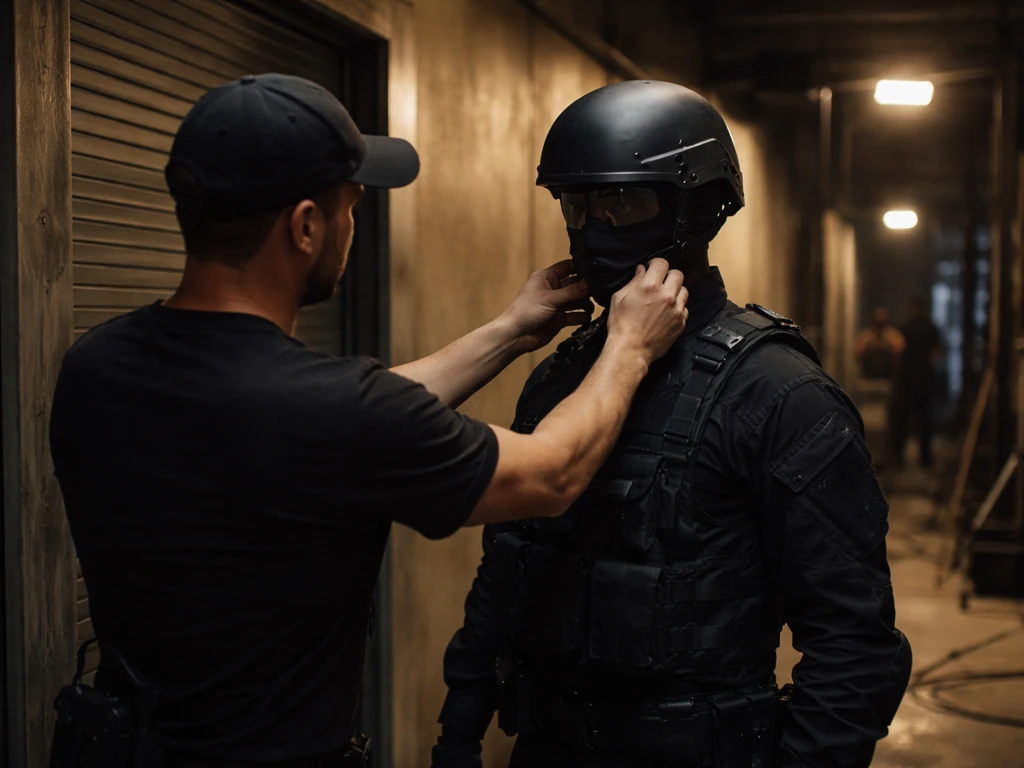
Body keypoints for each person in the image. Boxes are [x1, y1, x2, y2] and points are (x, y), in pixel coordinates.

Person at [47, 74, 690, 767]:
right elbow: (554, 471)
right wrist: (629, 346)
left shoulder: (96, 368)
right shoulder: (331, 413)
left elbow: (322, 422)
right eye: (351, 206)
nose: (353, 226)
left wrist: (505, 333)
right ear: (305, 227)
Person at [431, 81, 912, 768]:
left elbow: (853, 646)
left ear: (696, 209)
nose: (592, 228)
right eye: (578, 202)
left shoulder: (781, 396)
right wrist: (458, 730)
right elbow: (510, 569)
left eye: (623, 201)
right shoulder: (562, 376)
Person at [890, 295, 943, 468]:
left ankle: (900, 459)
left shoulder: (906, 327)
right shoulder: (931, 328)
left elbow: (899, 351)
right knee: (924, 420)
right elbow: (937, 352)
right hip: (924, 377)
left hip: (908, 378)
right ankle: (924, 460)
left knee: (903, 419)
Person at [855, 307, 905, 381]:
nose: (879, 324)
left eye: (881, 322)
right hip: (868, 377)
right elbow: (858, 354)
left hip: (888, 377)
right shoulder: (866, 336)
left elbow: (900, 352)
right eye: (877, 321)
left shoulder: (893, 336)